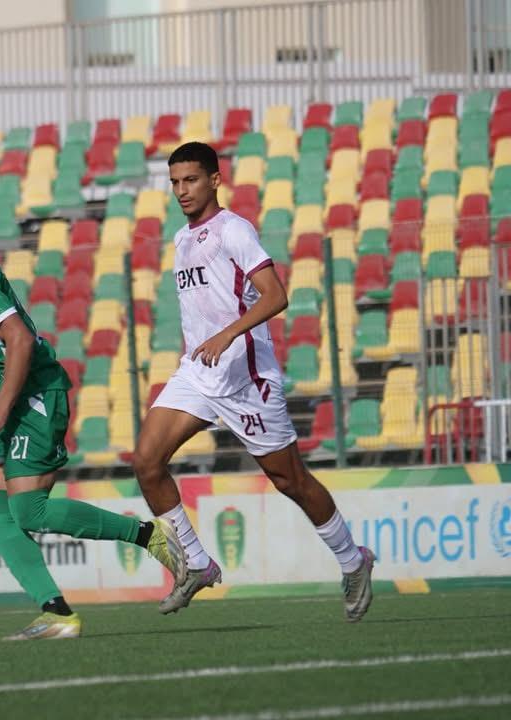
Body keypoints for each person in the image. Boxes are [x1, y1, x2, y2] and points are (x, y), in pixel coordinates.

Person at [0, 194, 186, 640]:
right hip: (1, 388)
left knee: (28, 510)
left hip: (33, 394)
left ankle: (149, 535)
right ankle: (56, 612)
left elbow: (21, 339)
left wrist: (1, 408)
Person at [132, 142, 375, 622]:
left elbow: (275, 295)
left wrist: (228, 334)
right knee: (146, 460)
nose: (181, 190)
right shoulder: (181, 239)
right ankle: (196, 564)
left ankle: (354, 561)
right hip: (199, 372)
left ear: (214, 180)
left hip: (246, 378)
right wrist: (206, 343)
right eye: (175, 182)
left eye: (191, 180)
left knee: (290, 480)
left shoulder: (234, 230)